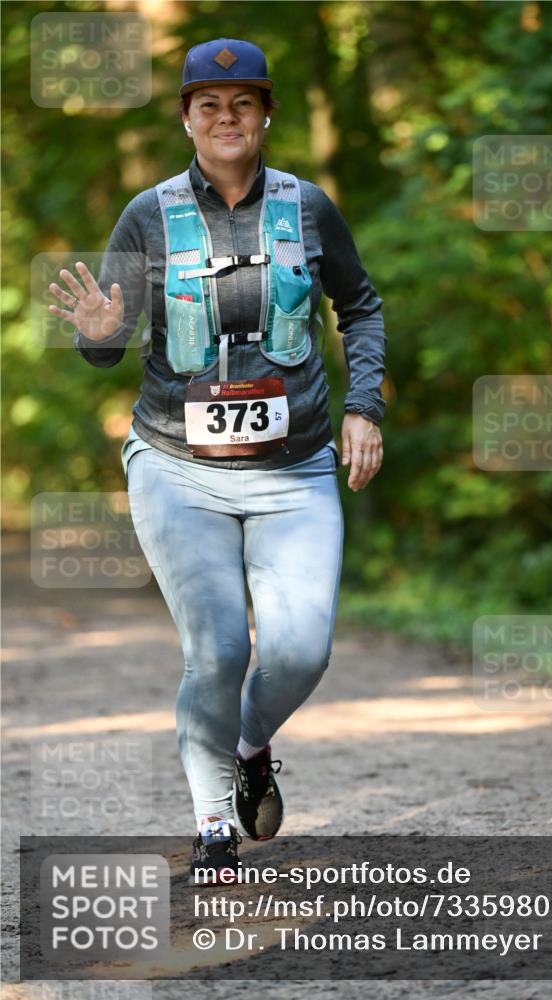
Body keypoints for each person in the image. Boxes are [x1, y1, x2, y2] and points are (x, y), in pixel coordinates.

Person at [48, 38, 386, 884]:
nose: (226, 118)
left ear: (265, 113)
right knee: (218, 649)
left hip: (296, 465)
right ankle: (211, 831)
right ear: (187, 118)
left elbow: (362, 306)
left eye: (243, 103)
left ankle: (249, 743)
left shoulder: (308, 206)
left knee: (301, 653)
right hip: (175, 463)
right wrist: (96, 336)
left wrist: (362, 407)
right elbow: (108, 343)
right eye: (209, 104)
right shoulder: (147, 213)